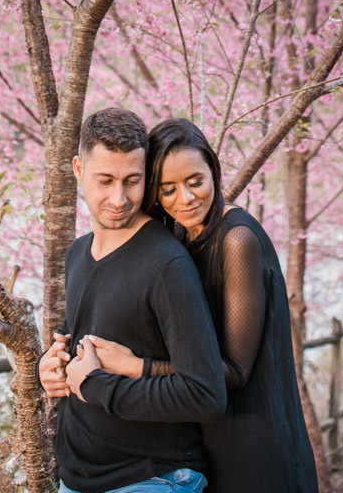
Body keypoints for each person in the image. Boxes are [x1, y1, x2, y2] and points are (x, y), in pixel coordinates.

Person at [83, 118, 319, 493]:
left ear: (214, 171)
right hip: (202, 435)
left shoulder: (237, 240)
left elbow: (236, 370)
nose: (186, 199)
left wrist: (137, 367)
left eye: (195, 182)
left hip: (255, 434)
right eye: (168, 189)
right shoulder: (176, 235)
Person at [37, 107, 226, 493]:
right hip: (75, 478)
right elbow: (77, 349)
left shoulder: (166, 263)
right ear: (78, 169)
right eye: (105, 180)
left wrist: (97, 386)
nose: (119, 198)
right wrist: (50, 369)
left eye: (132, 181)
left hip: (153, 477)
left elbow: (205, 395)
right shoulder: (76, 254)